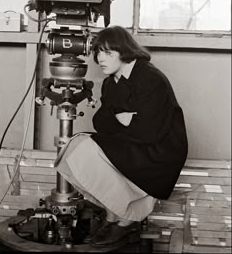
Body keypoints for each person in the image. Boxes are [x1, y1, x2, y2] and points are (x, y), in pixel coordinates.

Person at [55, 25, 188, 250]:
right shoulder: (110, 83)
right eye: (98, 53)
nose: (101, 59)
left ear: (124, 50)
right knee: (76, 146)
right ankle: (113, 216)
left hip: (160, 152)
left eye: (108, 52)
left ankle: (126, 221)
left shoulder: (150, 78)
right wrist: (123, 118)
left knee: (90, 147)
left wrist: (119, 121)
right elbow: (101, 123)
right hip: (135, 142)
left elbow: (149, 131)